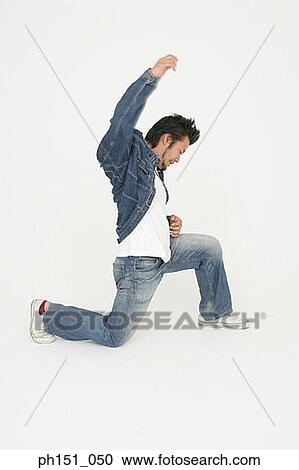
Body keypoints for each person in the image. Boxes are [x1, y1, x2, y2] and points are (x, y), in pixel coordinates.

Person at [30, 54, 249, 346]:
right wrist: (151, 76)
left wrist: (168, 221)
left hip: (164, 253)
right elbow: (121, 119)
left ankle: (214, 312)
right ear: (167, 139)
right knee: (115, 335)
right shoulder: (125, 162)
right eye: (179, 151)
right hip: (138, 266)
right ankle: (46, 313)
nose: (178, 159)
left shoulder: (156, 175)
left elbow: (146, 211)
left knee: (209, 248)